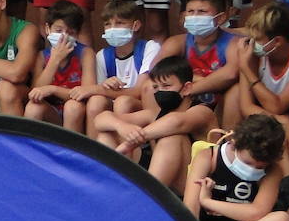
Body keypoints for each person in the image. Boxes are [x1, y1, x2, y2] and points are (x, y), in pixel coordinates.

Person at [92, 56, 216, 192]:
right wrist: (122, 127)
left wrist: (132, 141)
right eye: (156, 87)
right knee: (107, 134)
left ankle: (146, 200)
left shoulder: (203, 111)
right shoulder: (154, 113)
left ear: (186, 88)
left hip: (195, 186)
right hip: (161, 180)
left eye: (167, 86)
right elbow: (101, 119)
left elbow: (176, 122)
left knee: (172, 138)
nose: (160, 91)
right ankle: (109, 193)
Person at [183, 115, 289, 221]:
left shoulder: (273, 171)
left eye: (259, 167)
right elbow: (190, 209)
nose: (252, 169)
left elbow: (257, 212)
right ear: (234, 143)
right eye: (247, 163)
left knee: (283, 220)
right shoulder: (209, 157)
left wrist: (208, 202)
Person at [228, 1, 289, 174]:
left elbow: (277, 106)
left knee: (280, 132)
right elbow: (246, 107)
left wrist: (247, 70)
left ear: (277, 41)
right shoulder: (252, 55)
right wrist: (281, 120)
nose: (251, 43)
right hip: (264, 115)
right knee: (235, 94)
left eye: (257, 39)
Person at [70, 0, 157, 129]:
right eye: (108, 24)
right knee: (95, 101)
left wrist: (98, 89)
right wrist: (105, 86)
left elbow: (139, 91)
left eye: (120, 23)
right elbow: (100, 94)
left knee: (122, 102)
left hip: (142, 107)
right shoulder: (102, 56)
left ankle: (133, 148)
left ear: (136, 25)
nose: (112, 29)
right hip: (112, 108)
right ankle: (94, 147)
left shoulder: (149, 48)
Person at [23, 0, 95, 132]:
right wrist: (54, 60)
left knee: (72, 106)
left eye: (70, 32)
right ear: (47, 29)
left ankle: (69, 151)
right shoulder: (41, 56)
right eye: (59, 30)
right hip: (53, 113)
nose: (64, 36)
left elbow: (86, 93)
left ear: (77, 34)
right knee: (33, 107)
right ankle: (31, 151)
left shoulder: (85, 53)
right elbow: (36, 91)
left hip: (78, 113)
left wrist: (53, 89)